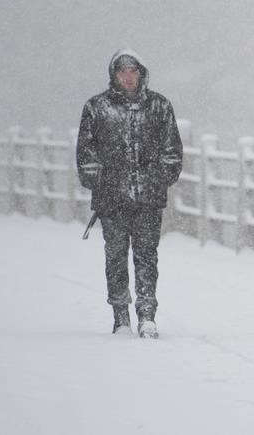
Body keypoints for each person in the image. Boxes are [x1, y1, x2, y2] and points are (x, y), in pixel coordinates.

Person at [76, 49, 183, 338]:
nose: (128, 76)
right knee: (116, 256)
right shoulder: (96, 108)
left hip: (148, 200)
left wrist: (159, 179)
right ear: (114, 74)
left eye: (133, 70)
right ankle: (120, 315)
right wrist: (99, 181)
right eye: (122, 71)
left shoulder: (160, 107)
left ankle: (147, 314)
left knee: (147, 256)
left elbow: (172, 151)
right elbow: (86, 153)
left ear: (141, 72)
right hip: (111, 201)